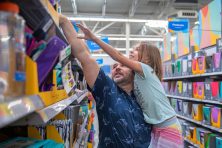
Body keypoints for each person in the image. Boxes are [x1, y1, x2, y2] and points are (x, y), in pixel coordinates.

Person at [77, 24, 183, 148]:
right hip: (157, 128)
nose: (132, 51)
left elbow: (118, 55)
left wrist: (94, 38)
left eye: (137, 49)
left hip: (167, 127)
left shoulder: (146, 69)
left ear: (147, 58)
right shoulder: (137, 78)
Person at [59, 15, 152, 148]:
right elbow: (84, 56)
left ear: (134, 71)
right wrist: (64, 22)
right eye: (114, 67)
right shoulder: (107, 89)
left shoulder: (145, 95)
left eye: (123, 65)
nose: (117, 68)